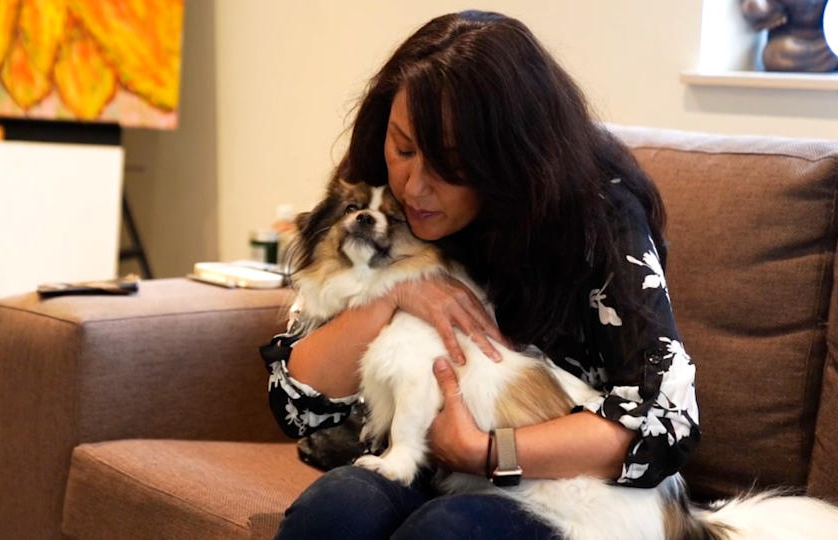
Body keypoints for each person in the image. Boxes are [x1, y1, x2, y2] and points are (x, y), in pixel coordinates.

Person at [261, 10, 701, 539]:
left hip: (559, 486)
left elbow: (665, 423)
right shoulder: (377, 197)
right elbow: (295, 406)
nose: (414, 187)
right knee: (333, 512)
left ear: (511, 161)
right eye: (403, 148)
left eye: (450, 166)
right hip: (416, 459)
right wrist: (399, 292)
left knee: (445, 531)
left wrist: (484, 451)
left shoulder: (600, 214)